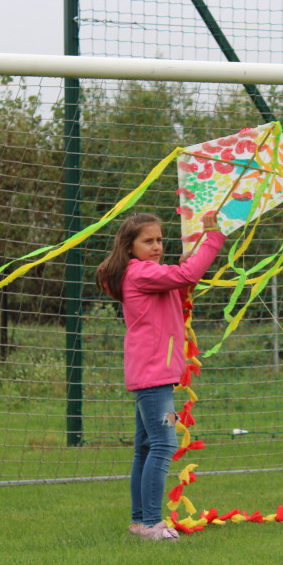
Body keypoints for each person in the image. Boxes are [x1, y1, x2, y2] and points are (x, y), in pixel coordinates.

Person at [96, 210, 226, 541]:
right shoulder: (139, 273)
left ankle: (140, 521)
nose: (156, 246)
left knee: (145, 447)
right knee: (164, 443)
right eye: (148, 241)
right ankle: (153, 524)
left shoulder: (148, 273)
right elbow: (183, 276)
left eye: (160, 240)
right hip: (154, 380)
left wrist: (188, 264)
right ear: (129, 247)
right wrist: (213, 240)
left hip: (154, 376)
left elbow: (181, 286)